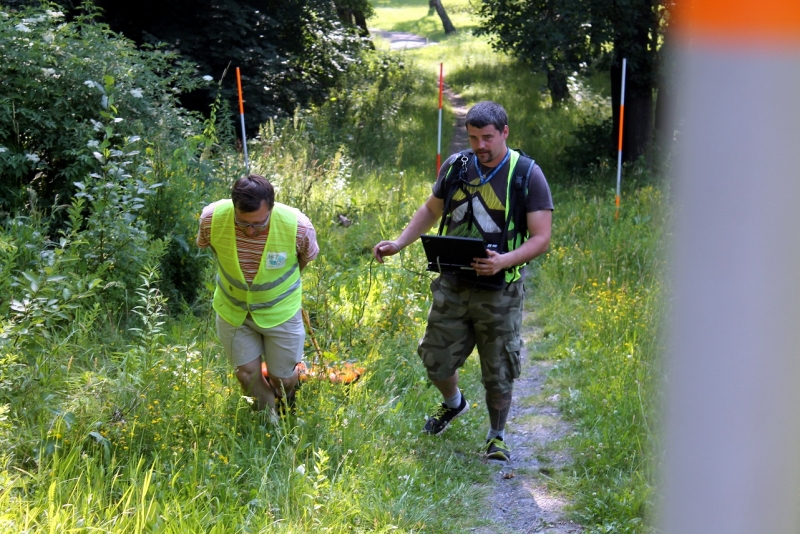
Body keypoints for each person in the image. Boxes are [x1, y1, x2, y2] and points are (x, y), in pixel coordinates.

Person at [372, 101, 553, 461]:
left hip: (499, 292)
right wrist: (399, 242)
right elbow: (430, 210)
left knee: (499, 369)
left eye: (487, 137)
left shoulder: (526, 174)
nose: (480, 145)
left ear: (505, 132)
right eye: (473, 138)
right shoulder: (457, 166)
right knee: (435, 358)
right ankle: (453, 404)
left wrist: (503, 262)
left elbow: (541, 237)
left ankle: (496, 436)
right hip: (452, 284)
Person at [197, 174, 319, 415]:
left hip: (280, 312)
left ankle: (289, 398)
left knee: (282, 379)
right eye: (243, 223)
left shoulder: (299, 227)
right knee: (246, 374)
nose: (250, 232)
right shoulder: (211, 219)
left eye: (258, 224)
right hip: (233, 310)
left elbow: (304, 260)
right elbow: (212, 247)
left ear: (271, 209)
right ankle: (271, 424)